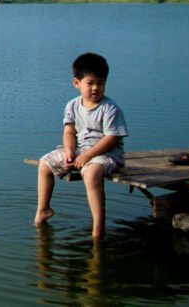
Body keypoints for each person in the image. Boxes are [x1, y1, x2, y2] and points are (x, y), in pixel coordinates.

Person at [34, 52, 128, 238]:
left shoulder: (110, 108)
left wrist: (86, 157)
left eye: (100, 83)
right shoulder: (73, 106)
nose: (95, 88)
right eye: (90, 83)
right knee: (44, 164)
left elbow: (112, 138)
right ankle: (43, 209)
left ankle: (98, 227)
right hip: (80, 150)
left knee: (91, 173)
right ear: (76, 83)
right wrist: (70, 151)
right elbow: (69, 131)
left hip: (107, 154)